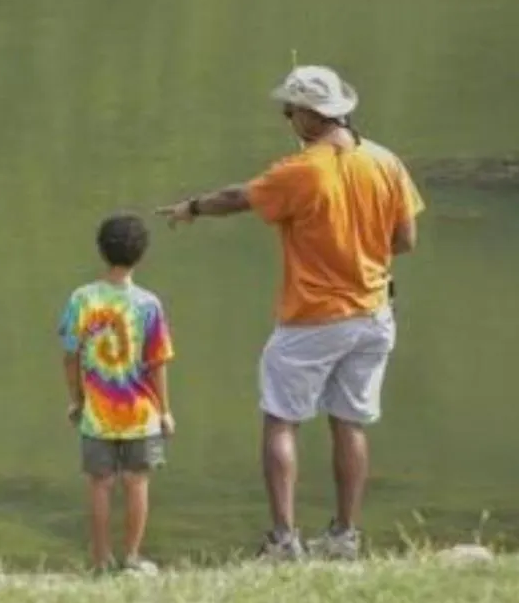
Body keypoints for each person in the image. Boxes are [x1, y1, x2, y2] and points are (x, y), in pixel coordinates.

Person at [154, 65, 424, 561]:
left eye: (290, 110)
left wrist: (191, 207)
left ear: (311, 115)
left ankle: (283, 540)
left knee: (281, 421)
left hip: (314, 319)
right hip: (374, 313)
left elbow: (240, 198)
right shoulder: (386, 162)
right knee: (350, 423)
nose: (287, 118)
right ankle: (345, 536)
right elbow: (406, 240)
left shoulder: (302, 170)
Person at [57, 212, 177, 575]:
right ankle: (133, 557)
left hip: (97, 414)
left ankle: (99, 559)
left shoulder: (82, 298)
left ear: (101, 250)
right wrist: (166, 411)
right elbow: (158, 362)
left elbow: (69, 356)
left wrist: (77, 400)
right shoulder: (149, 304)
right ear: (142, 254)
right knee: (139, 482)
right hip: (144, 415)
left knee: (99, 484)